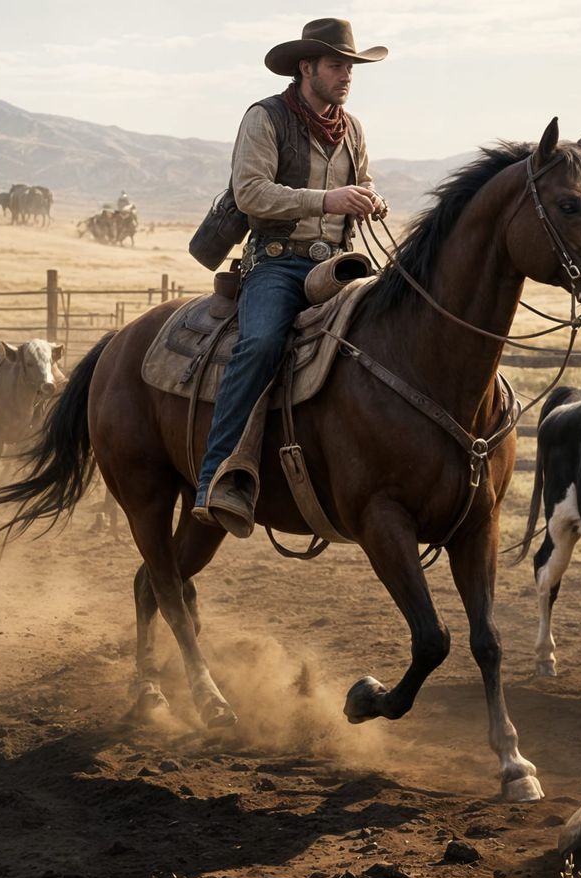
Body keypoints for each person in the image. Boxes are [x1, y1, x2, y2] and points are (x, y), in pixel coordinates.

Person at [192, 18, 388, 537]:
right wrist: (325, 200)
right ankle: (218, 476)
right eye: (336, 65)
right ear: (307, 68)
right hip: (278, 261)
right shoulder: (266, 118)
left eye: (351, 66)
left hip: (340, 262)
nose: (346, 75)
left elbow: (361, 181)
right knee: (259, 345)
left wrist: (371, 197)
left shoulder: (353, 128)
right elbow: (250, 192)